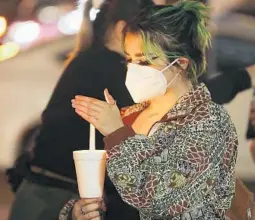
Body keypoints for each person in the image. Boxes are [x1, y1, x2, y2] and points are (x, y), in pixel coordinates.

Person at [70, 1, 239, 219]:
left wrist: (116, 134)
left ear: (181, 63)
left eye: (144, 61)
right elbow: (113, 193)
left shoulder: (209, 122)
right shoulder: (129, 114)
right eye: (129, 59)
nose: (133, 69)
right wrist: (83, 211)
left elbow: (160, 200)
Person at [9, 0, 153, 219]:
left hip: (42, 194)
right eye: (148, 31)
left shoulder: (90, 60)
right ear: (122, 29)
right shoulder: (109, 69)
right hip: (54, 203)